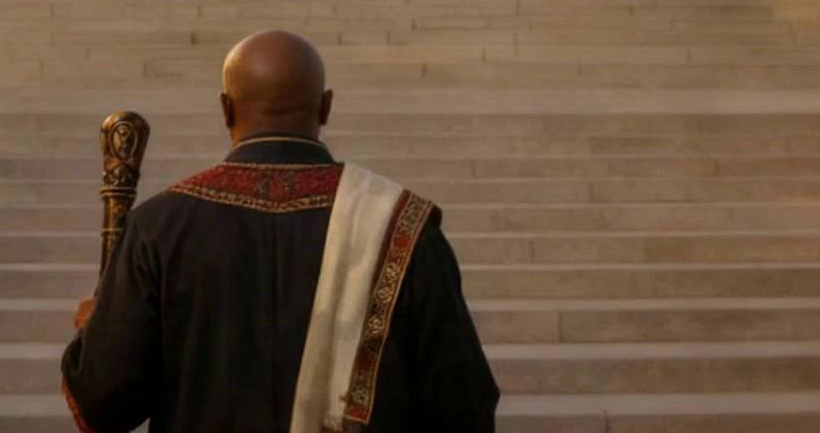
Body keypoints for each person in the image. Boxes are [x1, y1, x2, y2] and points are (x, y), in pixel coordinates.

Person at [61, 29, 500, 432]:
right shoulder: (402, 223)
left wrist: (95, 331)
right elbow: (464, 406)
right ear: (326, 106)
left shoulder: (158, 226)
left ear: (225, 107)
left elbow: (103, 406)